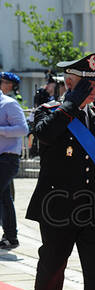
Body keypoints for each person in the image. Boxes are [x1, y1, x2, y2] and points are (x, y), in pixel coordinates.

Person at [27, 53, 95, 290]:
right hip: (58, 210)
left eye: (94, 84)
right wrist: (70, 104)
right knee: (52, 271)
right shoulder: (49, 112)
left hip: (90, 212)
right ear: (70, 83)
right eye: (85, 85)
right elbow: (44, 135)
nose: (93, 90)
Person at [0, 74, 29, 250]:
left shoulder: (9, 104)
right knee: (4, 197)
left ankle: (11, 236)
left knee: (3, 197)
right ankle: (11, 236)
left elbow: (23, 129)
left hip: (8, 158)